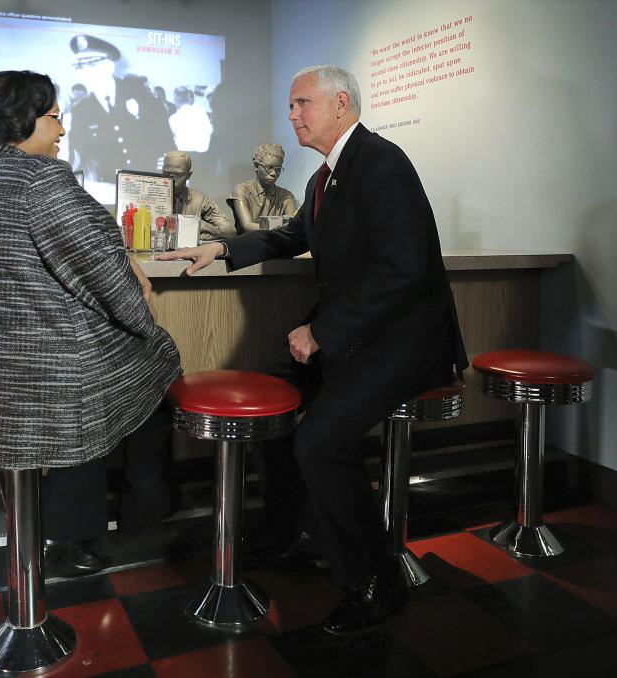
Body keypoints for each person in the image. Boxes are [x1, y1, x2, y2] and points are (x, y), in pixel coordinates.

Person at [157, 65, 467, 635]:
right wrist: (220, 250)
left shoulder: (383, 163)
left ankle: (376, 579)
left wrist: (324, 331)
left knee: (321, 443)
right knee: (276, 403)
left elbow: (403, 271)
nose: (292, 114)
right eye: (291, 104)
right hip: (356, 334)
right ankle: (285, 530)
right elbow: (291, 235)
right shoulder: (325, 178)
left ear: (341, 103)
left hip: (402, 341)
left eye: (301, 103)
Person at [0, 70, 182, 572]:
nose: (62, 130)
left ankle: (63, 525)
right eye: (53, 117)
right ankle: (121, 524)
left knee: (105, 371)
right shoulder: (40, 178)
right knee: (158, 362)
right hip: (46, 370)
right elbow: (102, 271)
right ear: (18, 121)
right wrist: (143, 315)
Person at [67, 35, 172, 185]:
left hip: (148, 181)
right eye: (80, 66)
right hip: (110, 186)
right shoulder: (81, 110)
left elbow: (164, 137)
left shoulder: (139, 93)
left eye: (91, 65)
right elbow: (78, 152)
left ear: (109, 66)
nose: (85, 72)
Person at [162, 151, 235, 241]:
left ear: (189, 175)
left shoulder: (200, 200)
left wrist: (203, 228)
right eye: (166, 174)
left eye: (178, 175)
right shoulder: (147, 195)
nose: (172, 179)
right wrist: (193, 230)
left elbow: (230, 231)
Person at [227, 143, 297, 233]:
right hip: (248, 243)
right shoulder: (242, 191)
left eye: (278, 169)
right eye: (269, 168)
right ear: (256, 166)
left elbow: (291, 227)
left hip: (276, 244)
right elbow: (248, 226)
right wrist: (281, 224)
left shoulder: (287, 197)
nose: (274, 173)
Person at [168, 86, 213, 154]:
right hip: (204, 156)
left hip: (183, 157)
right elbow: (210, 131)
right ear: (188, 98)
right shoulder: (202, 112)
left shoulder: (173, 118)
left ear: (175, 100)